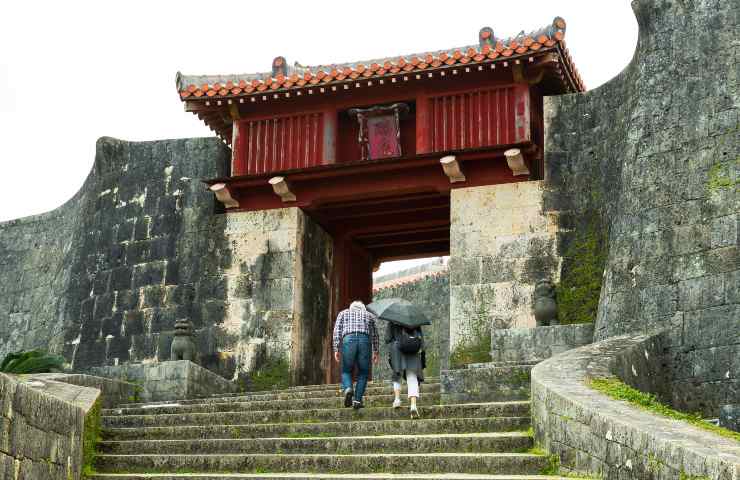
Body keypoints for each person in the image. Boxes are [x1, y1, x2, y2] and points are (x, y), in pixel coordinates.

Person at [332, 300, 379, 409]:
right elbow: (375, 335)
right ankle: (357, 400)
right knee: (363, 372)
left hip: (348, 340)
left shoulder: (343, 313)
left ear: (351, 307)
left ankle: (348, 388)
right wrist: (376, 351)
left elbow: (337, 331)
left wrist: (336, 348)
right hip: (364, 341)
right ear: (363, 308)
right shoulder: (369, 315)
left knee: (346, 370)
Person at [385, 321, 425, 418]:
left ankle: (397, 400)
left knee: (397, 374)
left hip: (397, 349)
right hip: (413, 350)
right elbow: (421, 340)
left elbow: (387, 338)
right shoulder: (414, 319)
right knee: (412, 377)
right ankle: (413, 405)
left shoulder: (393, 320)